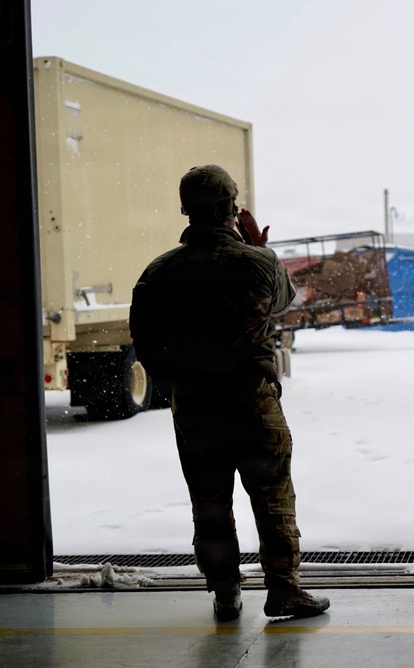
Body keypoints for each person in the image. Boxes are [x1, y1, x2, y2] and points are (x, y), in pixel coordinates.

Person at [130, 165, 329, 621]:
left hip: (196, 408)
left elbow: (144, 338)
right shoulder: (258, 264)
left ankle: (225, 592)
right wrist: (258, 248)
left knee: (210, 502)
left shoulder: (160, 272)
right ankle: (284, 590)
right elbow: (283, 301)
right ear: (231, 209)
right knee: (273, 497)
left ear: (187, 210)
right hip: (254, 401)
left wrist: (175, 384)